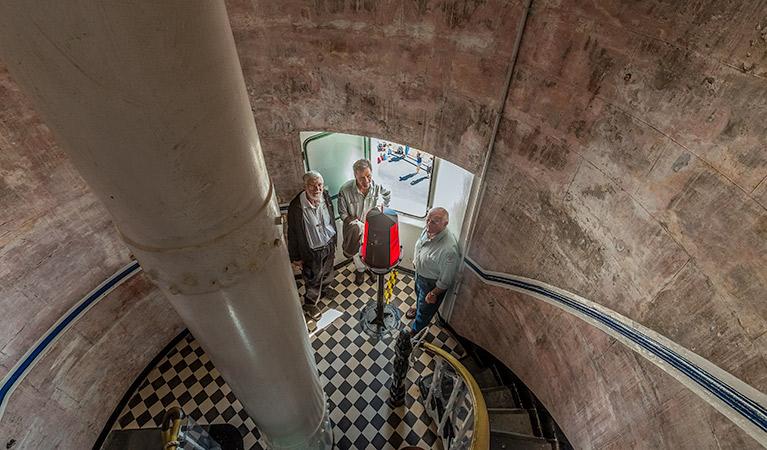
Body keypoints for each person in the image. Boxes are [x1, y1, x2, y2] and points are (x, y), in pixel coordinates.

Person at [287, 171, 338, 321]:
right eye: (313, 185)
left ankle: (325, 289)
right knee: (313, 278)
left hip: (328, 244)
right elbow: (293, 233)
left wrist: (334, 240)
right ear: (304, 186)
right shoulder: (296, 207)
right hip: (311, 251)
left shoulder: (326, 197)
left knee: (328, 271)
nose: (317, 189)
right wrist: (295, 257)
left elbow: (331, 218)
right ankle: (310, 304)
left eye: (320, 185)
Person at [406, 207, 460, 336]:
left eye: (434, 222)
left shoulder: (448, 250)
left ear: (445, 224)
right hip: (420, 275)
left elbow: (446, 279)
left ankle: (417, 331)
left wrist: (434, 293)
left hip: (431, 284)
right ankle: (419, 309)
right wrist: (416, 261)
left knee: (426, 309)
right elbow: (421, 246)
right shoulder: (428, 230)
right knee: (419, 296)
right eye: (428, 219)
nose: (428, 224)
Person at [337, 159, 392, 285]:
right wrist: (357, 225)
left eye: (369, 176)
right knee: (357, 253)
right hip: (355, 228)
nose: (366, 181)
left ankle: (369, 269)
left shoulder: (377, 185)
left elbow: (388, 194)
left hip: (373, 227)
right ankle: (360, 271)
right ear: (355, 175)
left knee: (371, 250)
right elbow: (342, 213)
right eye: (362, 178)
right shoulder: (344, 191)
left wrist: (383, 210)